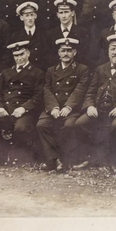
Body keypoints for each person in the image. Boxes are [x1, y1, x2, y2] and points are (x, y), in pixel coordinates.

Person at [74, 34, 116, 171]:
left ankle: (114, 160)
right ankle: (90, 157)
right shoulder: (101, 68)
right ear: (108, 51)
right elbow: (91, 91)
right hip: (99, 109)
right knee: (80, 123)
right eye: (112, 49)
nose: (115, 52)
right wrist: (90, 106)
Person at [0, 41, 44, 163]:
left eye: (21, 54)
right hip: (6, 108)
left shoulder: (37, 73)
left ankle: (19, 152)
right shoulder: (5, 73)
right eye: (16, 55)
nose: (19, 58)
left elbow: (38, 96)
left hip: (25, 111)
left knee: (20, 128)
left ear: (28, 53)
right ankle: (1, 152)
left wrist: (23, 108)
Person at [36, 38, 89, 172]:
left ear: (74, 52)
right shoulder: (51, 70)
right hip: (53, 107)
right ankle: (53, 160)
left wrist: (68, 107)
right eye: (63, 51)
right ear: (58, 53)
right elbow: (47, 90)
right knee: (41, 125)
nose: (66, 53)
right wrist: (53, 107)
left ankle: (63, 160)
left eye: (69, 51)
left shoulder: (82, 69)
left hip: (72, 108)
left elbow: (80, 90)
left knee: (69, 125)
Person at [45, 0, 89, 68]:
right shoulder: (50, 34)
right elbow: (49, 57)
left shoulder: (82, 32)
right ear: (57, 15)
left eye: (66, 12)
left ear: (72, 13)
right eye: (61, 13)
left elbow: (84, 56)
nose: (63, 16)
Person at [10, 1, 47, 70]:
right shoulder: (15, 36)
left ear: (35, 16)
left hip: (40, 71)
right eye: (27, 15)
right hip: (22, 71)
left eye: (32, 15)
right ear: (21, 18)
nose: (30, 18)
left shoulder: (44, 34)